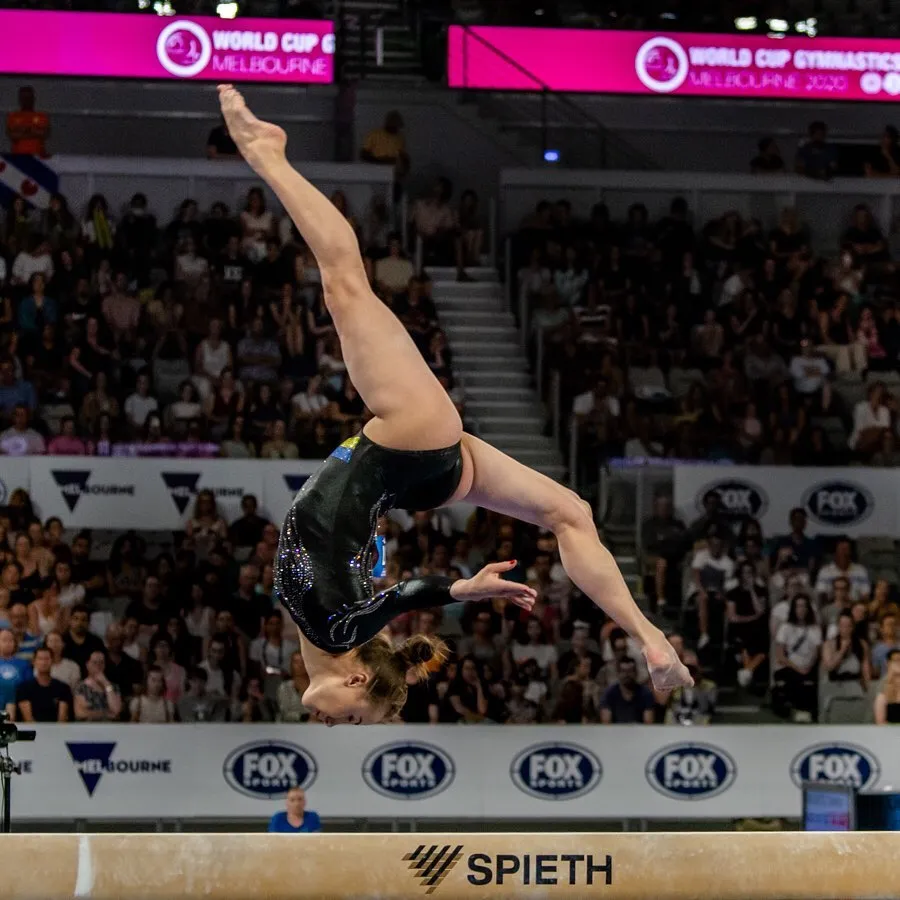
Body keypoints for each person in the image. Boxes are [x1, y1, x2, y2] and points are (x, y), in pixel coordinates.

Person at [218, 85, 689, 727]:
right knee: (346, 285)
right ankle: (269, 156)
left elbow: (382, 598)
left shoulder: (329, 630)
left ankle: (650, 637)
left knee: (571, 514)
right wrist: (461, 590)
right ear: (357, 677)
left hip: (421, 475)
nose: (332, 726)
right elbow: (403, 596)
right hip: (407, 448)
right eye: (356, 718)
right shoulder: (334, 630)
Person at [16, 646, 71, 722]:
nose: (44, 662)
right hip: (34, 731)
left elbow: (62, 719)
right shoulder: (24, 688)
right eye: (40, 659)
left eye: (47, 659)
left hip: (58, 731)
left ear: (52, 661)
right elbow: (28, 719)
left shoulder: (63, 688)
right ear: (34, 662)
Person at [73, 650, 123, 722]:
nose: (98, 665)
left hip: (110, 728)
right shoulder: (80, 687)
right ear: (87, 665)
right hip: (87, 728)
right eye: (95, 662)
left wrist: (106, 684)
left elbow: (116, 710)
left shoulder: (113, 686)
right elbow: (80, 713)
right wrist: (106, 713)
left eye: (101, 662)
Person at [6, 85, 50, 156]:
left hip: (38, 156)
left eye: (29, 97)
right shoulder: (12, 116)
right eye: (24, 98)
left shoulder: (42, 116)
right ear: (20, 99)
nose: (26, 100)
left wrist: (23, 131)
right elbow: (12, 135)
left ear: (33, 99)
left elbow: (44, 134)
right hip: (17, 157)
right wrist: (34, 131)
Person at [0, 630, 30, 718]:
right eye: (4, 640)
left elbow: (28, 686)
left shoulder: (23, 664)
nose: (8, 643)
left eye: (11, 640)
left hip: (19, 707)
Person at [874, 649, 900, 724]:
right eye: (896, 660)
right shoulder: (882, 685)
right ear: (888, 663)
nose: (899, 663)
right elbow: (880, 722)